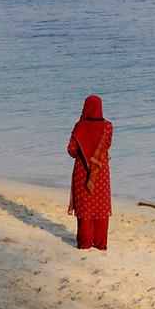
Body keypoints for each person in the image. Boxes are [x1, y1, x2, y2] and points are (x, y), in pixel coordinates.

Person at [66, 95, 113, 250]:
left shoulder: (79, 126)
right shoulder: (108, 126)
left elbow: (72, 150)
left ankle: (85, 243)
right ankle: (100, 243)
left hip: (82, 171)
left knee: (85, 206)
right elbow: (107, 146)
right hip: (100, 171)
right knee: (101, 206)